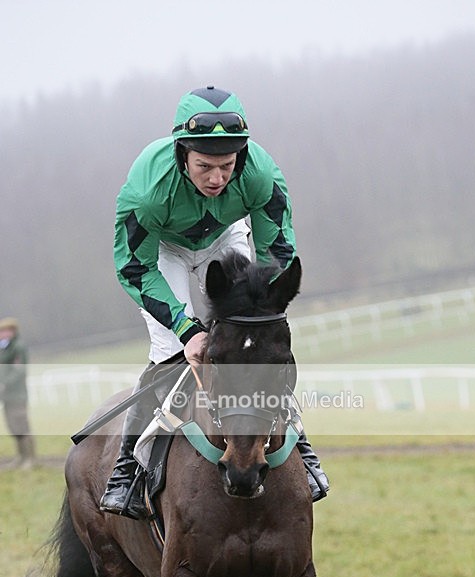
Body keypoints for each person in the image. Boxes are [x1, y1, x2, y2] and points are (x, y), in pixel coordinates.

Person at [100, 85, 329, 519]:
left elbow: (277, 251)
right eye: (204, 166)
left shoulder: (261, 174)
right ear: (182, 153)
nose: (217, 178)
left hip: (225, 237)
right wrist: (189, 332)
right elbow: (134, 267)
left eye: (226, 166)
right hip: (162, 253)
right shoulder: (147, 190)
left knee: (258, 347)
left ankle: (302, 445)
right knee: (170, 353)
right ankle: (128, 468)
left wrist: (259, 313)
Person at [0, 317, 36, 469]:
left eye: (5, 331)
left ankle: (30, 458)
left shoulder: (18, 347)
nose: (2, 334)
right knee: (12, 425)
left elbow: (19, 370)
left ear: (13, 332)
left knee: (21, 425)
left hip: (17, 394)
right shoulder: (4, 349)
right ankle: (20, 456)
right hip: (6, 396)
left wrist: (5, 383)